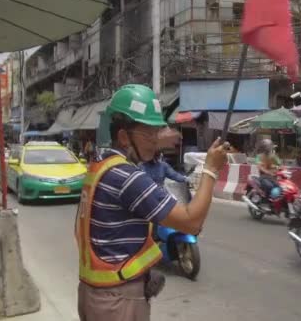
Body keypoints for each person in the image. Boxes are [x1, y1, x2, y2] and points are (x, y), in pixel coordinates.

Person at [75, 84, 228, 321]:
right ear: (124, 136)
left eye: (156, 132)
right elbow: (191, 222)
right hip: (117, 300)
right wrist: (210, 170)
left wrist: (142, 275)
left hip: (96, 294)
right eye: (148, 133)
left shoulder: (99, 166)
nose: (155, 141)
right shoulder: (128, 177)